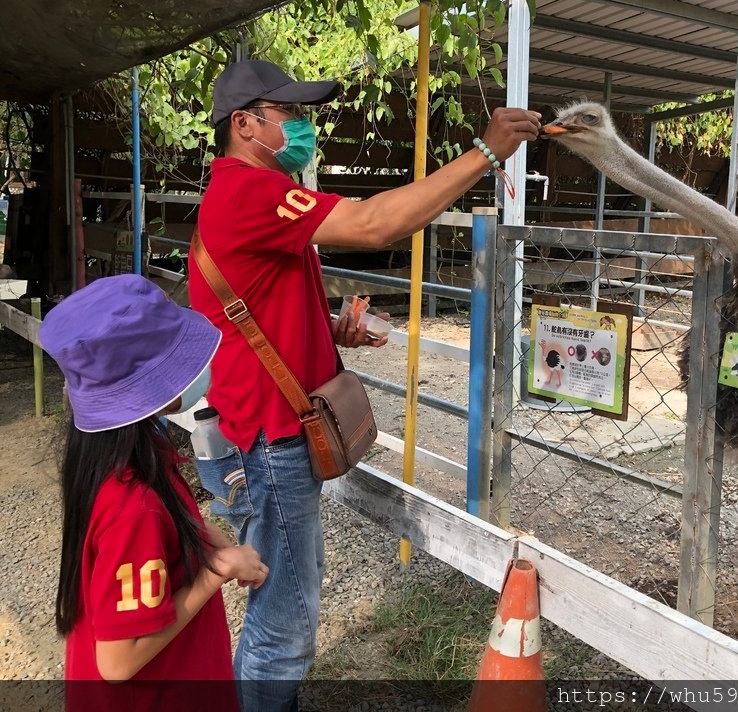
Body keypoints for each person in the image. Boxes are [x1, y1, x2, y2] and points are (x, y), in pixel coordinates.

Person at [187, 58, 540, 710]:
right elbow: (379, 222)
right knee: (285, 625)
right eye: (289, 113)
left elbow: (247, 309)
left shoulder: (244, 195)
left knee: (282, 599)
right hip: (269, 438)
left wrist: (329, 330)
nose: (302, 126)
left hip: (252, 430)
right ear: (245, 123)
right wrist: (486, 152)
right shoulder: (248, 191)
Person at [40, 274, 268, 709]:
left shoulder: (119, 460)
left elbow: (174, 519)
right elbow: (118, 661)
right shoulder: (134, 508)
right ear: (149, 387)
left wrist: (215, 546)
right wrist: (214, 573)